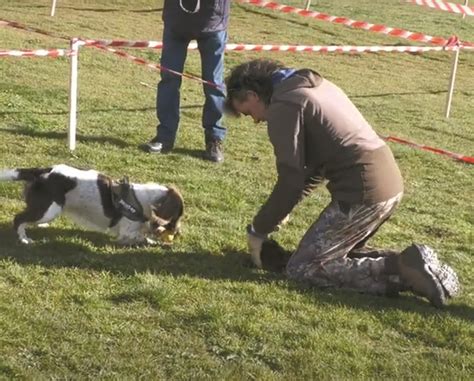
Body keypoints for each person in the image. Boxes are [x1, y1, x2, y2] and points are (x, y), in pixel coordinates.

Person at [224, 58, 460, 307]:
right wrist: (282, 209)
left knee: (303, 268)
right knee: (341, 252)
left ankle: (401, 270)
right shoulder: (312, 86)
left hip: (363, 191)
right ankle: (419, 265)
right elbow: (314, 171)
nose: (256, 121)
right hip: (386, 183)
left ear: (253, 94)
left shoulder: (284, 106)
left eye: (248, 111)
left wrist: (258, 230)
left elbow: (290, 180)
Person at [144, 0, 230, 163]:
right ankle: (165, 137)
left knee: (213, 83)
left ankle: (214, 139)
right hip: (176, 21)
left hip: (213, 21)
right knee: (169, 79)